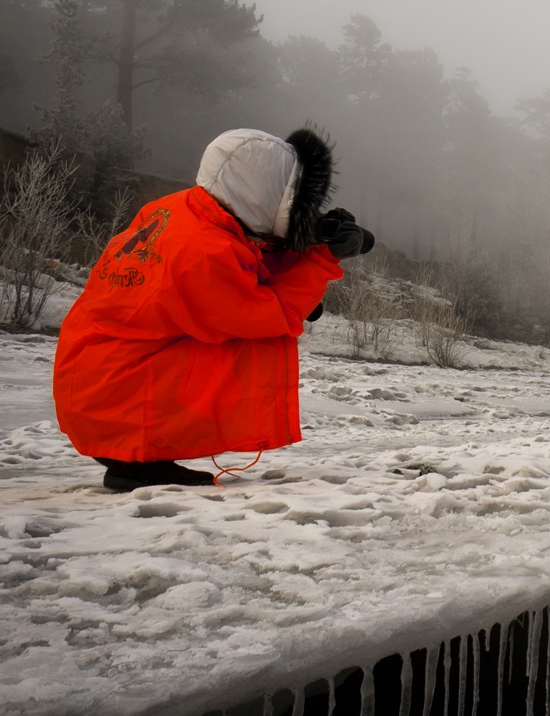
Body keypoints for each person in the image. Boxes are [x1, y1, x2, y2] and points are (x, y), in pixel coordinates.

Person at [53, 128, 374, 492]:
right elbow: (267, 315)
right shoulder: (204, 250)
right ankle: (137, 457)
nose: (301, 205)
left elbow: (239, 267)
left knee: (241, 331)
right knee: (255, 343)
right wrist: (320, 259)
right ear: (265, 192)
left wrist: (302, 241)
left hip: (97, 385)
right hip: (116, 402)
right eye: (296, 199)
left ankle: (141, 457)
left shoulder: (178, 210)